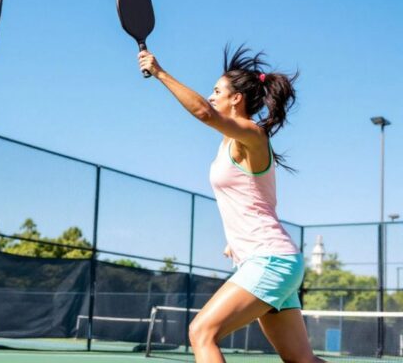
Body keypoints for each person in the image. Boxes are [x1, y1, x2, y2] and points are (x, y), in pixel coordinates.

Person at [138, 46, 324, 363]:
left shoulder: (251, 135)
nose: (211, 96)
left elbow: (204, 113)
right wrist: (235, 240)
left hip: (270, 261)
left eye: (217, 90)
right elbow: (250, 200)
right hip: (269, 258)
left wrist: (160, 73)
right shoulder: (229, 143)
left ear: (236, 99)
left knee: (201, 333)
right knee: (301, 360)